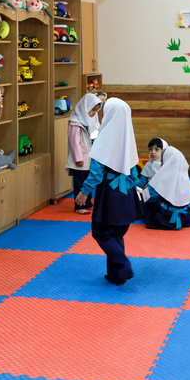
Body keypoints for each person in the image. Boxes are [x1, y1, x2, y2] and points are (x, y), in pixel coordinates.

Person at [75, 98, 140, 285]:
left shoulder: (103, 141)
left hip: (110, 196)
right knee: (117, 234)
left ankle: (122, 265)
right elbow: (134, 172)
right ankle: (116, 275)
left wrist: (83, 192)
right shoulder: (129, 141)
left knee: (101, 232)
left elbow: (95, 174)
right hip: (126, 194)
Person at [141, 145, 190, 230]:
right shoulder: (184, 175)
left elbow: (148, 197)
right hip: (187, 216)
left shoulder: (162, 177)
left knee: (148, 203)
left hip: (167, 218)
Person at [66, 93, 102, 214]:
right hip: (80, 159)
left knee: (88, 180)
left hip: (91, 157)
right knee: (79, 182)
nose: (94, 113)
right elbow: (74, 142)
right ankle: (78, 206)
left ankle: (87, 202)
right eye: (92, 110)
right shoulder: (75, 122)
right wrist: (78, 158)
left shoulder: (94, 120)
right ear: (85, 107)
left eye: (96, 110)